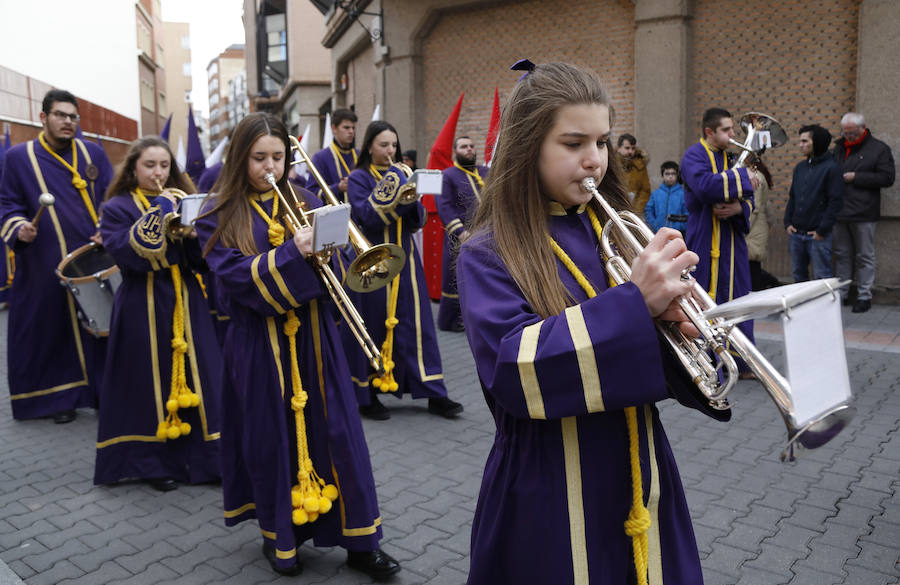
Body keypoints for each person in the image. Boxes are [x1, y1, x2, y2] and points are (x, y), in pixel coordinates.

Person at [457, 60, 730, 585]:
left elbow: (642, 357)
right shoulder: (485, 252)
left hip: (640, 470)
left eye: (603, 142)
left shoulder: (617, 231)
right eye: (574, 143)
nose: (595, 161)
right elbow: (514, 371)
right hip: (548, 484)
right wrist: (635, 305)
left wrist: (680, 333)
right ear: (526, 147)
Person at [194, 112, 400, 579]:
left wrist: (333, 250)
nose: (271, 167)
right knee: (271, 440)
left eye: (278, 157)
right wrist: (294, 252)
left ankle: (363, 544)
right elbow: (233, 281)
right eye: (258, 158)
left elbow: (341, 267)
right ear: (239, 158)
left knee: (342, 436)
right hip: (257, 345)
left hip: (315, 337)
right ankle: (279, 539)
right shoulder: (216, 213)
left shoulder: (307, 198)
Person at [94, 136, 222, 492]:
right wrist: (164, 208)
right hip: (142, 302)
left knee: (203, 378)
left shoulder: (187, 201)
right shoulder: (117, 206)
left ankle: (208, 459)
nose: (158, 173)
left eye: (164, 165)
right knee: (146, 381)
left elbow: (203, 261)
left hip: (186, 298)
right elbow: (130, 253)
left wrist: (196, 237)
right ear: (133, 169)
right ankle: (152, 462)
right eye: (150, 165)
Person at [0, 89, 113, 423]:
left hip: (93, 257)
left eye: (73, 116)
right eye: (60, 115)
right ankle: (58, 399)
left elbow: (111, 196)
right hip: (42, 258)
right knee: (51, 328)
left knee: (99, 326)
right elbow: (7, 203)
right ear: (43, 117)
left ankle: (101, 394)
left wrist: (107, 227)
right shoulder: (19, 158)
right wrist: (19, 227)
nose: (68, 122)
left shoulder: (92, 152)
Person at [344, 120, 463, 420]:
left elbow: (417, 221)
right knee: (372, 323)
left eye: (393, 145)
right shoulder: (358, 177)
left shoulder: (402, 172)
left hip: (407, 261)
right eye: (383, 145)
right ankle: (369, 393)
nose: (390, 151)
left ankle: (434, 391)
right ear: (369, 146)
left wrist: (412, 199)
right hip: (374, 261)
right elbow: (368, 218)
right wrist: (396, 186)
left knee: (418, 325)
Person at [681, 107, 758, 378]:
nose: (733, 135)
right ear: (709, 132)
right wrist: (743, 178)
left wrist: (739, 209)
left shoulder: (732, 158)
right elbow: (704, 187)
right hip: (703, 237)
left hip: (732, 242)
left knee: (738, 294)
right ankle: (704, 358)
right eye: (727, 130)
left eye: (733, 130)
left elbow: (749, 198)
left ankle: (743, 361)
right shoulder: (693, 155)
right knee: (702, 296)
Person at [832, 112, 895, 313]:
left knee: (865, 256)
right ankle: (842, 294)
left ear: (863, 128)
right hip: (840, 211)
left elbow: (887, 178)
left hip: (864, 211)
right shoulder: (839, 147)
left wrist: (857, 177)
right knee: (842, 255)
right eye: (845, 132)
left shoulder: (878, 149)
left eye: (851, 133)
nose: (847, 137)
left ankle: (864, 295)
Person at [435, 135, 488, 332]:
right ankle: (451, 320)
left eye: (472, 146)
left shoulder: (486, 172)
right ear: (455, 152)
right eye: (464, 146)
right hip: (461, 236)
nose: (469, 149)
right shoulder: (448, 175)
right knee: (455, 278)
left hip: (486, 234)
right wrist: (460, 232)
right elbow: (444, 205)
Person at [784, 125, 844, 283]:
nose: (800, 145)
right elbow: (793, 197)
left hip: (817, 235)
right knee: (798, 277)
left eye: (805, 141)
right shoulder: (800, 168)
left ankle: (825, 309)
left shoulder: (832, 168)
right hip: (796, 234)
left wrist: (822, 230)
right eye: (800, 141)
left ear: (816, 142)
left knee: (822, 278)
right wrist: (787, 222)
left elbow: (835, 202)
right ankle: (801, 309)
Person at [305, 108, 358, 203]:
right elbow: (311, 193)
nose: (351, 131)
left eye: (353, 128)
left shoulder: (359, 155)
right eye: (346, 128)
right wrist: (338, 188)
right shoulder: (320, 158)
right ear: (334, 128)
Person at [746, 158, 781, 291]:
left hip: (752, 232)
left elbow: (754, 207)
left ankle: (770, 284)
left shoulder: (755, 177)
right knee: (752, 267)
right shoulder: (757, 175)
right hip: (756, 230)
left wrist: (743, 227)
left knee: (752, 268)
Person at [644, 161, 687, 235]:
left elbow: (687, 213)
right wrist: (655, 225)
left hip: (678, 234)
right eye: (667, 174)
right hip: (658, 232)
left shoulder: (683, 194)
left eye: (673, 174)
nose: (670, 176)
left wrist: (680, 227)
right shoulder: (656, 194)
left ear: (677, 175)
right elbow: (648, 211)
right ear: (662, 176)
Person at [617, 133, 651, 216]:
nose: (630, 151)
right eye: (627, 148)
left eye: (633, 148)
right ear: (619, 148)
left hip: (634, 213)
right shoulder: (612, 165)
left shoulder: (639, 166)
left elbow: (645, 191)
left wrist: (636, 210)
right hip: (615, 211)